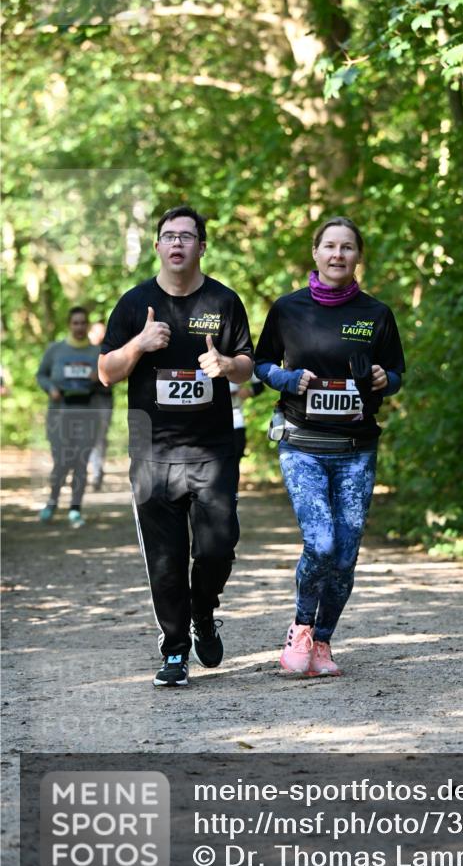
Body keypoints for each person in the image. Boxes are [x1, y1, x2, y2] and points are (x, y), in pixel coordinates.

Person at [98, 206, 254, 688]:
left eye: (187, 236)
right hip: (152, 454)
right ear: (158, 246)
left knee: (217, 548)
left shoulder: (224, 302)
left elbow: (250, 366)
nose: (178, 243)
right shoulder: (134, 304)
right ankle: (175, 649)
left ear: (201, 247)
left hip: (212, 451)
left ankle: (203, 614)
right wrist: (140, 345)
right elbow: (106, 372)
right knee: (165, 562)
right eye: (169, 236)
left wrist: (227, 365)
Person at [254, 216, 405, 677]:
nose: (338, 255)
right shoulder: (287, 309)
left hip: (356, 447)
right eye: (329, 247)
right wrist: (284, 377)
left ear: (358, 256)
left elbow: (395, 373)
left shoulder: (376, 314)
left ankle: (322, 643)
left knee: (345, 551)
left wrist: (385, 378)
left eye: (347, 248)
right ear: (315, 254)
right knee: (320, 542)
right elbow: (260, 363)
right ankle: (300, 627)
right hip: (302, 442)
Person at [37, 305, 101, 528]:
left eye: (83, 322)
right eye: (76, 323)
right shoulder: (55, 350)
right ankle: (52, 502)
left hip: (87, 413)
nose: (79, 327)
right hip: (59, 413)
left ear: (88, 325)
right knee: (62, 462)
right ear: (69, 325)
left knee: (81, 462)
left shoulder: (97, 352)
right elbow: (41, 375)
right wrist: (50, 388)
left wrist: (100, 376)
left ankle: (75, 508)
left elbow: (110, 380)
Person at [88, 321, 113, 490]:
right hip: (82, 399)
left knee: (98, 436)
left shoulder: (110, 349)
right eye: (98, 331)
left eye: (103, 332)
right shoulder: (81, 350)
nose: (101, 335)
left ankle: (96, 472)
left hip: (103, 399)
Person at [229, 375, 265, 462]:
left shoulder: (240, 361)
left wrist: (249, 391)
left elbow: (259, 387)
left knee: (238, 448)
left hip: (235, 413)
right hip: (211, 415)